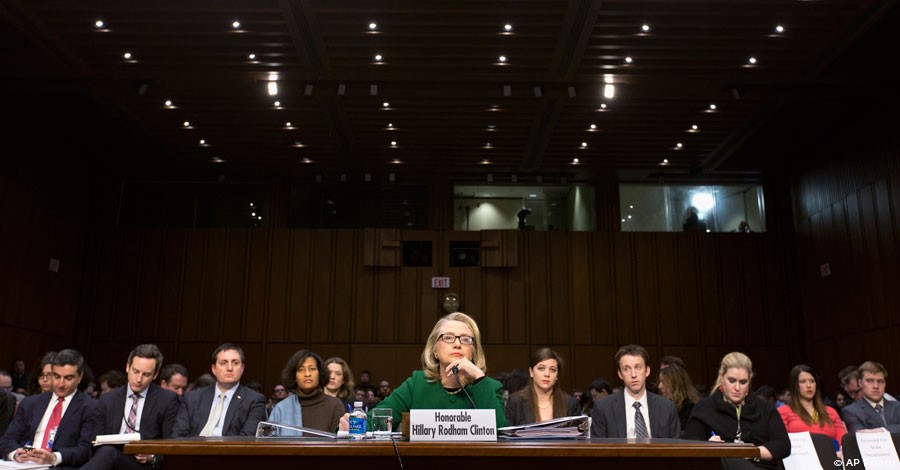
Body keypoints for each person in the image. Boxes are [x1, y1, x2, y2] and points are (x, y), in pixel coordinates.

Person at [340, 312, 507, 431]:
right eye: (448, 337)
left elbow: (500, 434)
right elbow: (377, 421)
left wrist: (478, 377)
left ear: (474, 351)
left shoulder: (490, 386)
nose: (457, 344)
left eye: (465, 339)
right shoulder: (417, 383)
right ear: (434, 350)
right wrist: (352, 424)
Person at [684, 352, 790, 470]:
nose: (737, 388)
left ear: (749, 380)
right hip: (721, 465)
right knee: (724, 456)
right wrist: (709, 447)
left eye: (743, 382)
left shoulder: (764, 408)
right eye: (732, 380)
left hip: (761, 466)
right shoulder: (704, 408)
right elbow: (691, 445)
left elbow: (783, 445)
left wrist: (750, 452)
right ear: (722, 377)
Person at [81, 344, 180, 470]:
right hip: (109, 459)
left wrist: (152, 456)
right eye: (135, 371)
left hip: (144, 465)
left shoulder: (167, 400)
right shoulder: (108, 399)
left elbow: (171, 445)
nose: (138, 379)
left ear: (155, 375)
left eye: (146, 374)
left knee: (108, 452)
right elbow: (94, 442)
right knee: (107, 452)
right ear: (127, 367)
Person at [0, 349, 99, 468]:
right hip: (20, 466)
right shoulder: (30, 403)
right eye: (56, 376)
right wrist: (15, 454)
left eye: (68, 378)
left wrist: (54, 457)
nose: (60, 384)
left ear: (80, 377)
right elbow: (7, 440)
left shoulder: (90, 407)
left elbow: (85, 450)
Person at [172, 343, 266, 437]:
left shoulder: (254, 401)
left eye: (235, 363)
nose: (230, 368)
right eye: (223, 363)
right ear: (214, 369)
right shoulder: (192, 398)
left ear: (242, 369)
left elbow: (246, 440)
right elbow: (178, 435)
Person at [591, 345, 680, 438]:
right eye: (626, 369)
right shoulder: (604, 408)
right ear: (620, 374)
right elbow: (598, 449)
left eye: (638, 367)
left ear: (647, 371)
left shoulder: (667, 408)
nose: (633, 375)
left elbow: (676, 448)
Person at [777, 365, 846, 456]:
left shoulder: (830, 411)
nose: (809, 386)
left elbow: (843, 442)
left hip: (833, 460)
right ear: (795, 385)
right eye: (803, 382)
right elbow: (782, 444)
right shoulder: (783, 412)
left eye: (812, 381)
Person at [269, 350, 344, 433]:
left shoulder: (334, 405)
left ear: (320, 373)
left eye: (312, 369)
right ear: (294, 376)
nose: (307, 374)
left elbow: (341, 443)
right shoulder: (281, 408)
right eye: (301, 370)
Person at [505, 348, 579, 425]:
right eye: (541, 368)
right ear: (531, 372)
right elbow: (507, 434)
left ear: (557, 375)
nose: (547, 374)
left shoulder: (570, 403)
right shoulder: (516, 401)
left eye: (552, 370)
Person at [842, 361, 900, 433]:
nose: (876, 386)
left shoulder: (898, 406)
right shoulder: (851, 411)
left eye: (880, 381)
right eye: (869, 381)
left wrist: (881, 430)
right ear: (860, 383)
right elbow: (861, 437)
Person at [658, 363, 700, 434]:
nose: (659, 386)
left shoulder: (690, 408)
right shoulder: (662, 405)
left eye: (663, 382)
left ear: (674, 384)